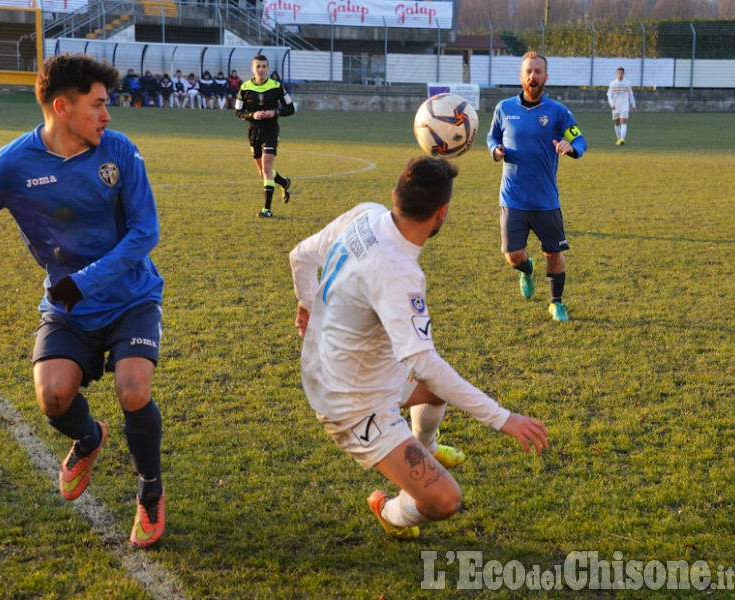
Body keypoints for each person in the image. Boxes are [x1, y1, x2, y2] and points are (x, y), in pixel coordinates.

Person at [289, 156, 549, 539]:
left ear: (395, 195)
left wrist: (308, 303)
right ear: (442, 213)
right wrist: (501, 417)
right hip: (350, 401)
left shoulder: (366, 214)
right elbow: (423, 362)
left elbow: (300, 256)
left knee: (437, 392)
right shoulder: (399, 272)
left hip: (337, 364)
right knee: (443, 501)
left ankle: (425, 445)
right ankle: (388, 510)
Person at [0, 53, 166, 548]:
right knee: (53, 397)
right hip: (68, 307)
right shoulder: (10, 166)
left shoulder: (119, 151)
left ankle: (150, 492)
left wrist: (85, 279)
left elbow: (144, 232)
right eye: (98, 105)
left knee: (133, 389)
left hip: (131, 296)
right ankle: (89, 438)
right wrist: (76, 288)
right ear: (62, 107)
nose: (108, 116)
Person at [487, 51, 587, 323]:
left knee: (553, 252)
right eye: (528, 71)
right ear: (521, 76)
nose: (533, 76)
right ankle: (526, 270)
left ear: (546, 77)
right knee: (512, 256)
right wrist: (494, 151)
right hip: (513, 197)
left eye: (538, 72)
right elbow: (492, 136)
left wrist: (571, 147)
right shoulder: (504, 108)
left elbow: (580, 141)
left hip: (545, 199)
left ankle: (556, 303)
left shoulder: (557, 112)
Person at [234, 54, 294, 218]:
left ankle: (267, 209)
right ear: (252, 69)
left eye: (264, 66)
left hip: (271, 131)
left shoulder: (276, 86)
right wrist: (252, 115)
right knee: (263, 173)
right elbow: (238, 112)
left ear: (268, 68)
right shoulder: (244, 88)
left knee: (267, 168)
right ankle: (284, 182)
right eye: (258, 66)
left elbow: (290, 108)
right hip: (253, 132)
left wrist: (274, 112)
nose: (261, 69)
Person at [607, 67, 637, 145]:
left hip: (624, 106)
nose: (620, 74)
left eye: (621, 73)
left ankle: (622, 139)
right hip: (615, 106)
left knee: (623, 122)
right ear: (616, 74)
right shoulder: (613, 84)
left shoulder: (627, 83)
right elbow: (609, 95)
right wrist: (611, 104)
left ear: (624, 74)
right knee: (617, 123)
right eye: (619, 73)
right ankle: (619, 138)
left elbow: (631, 95)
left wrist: (633, 105)